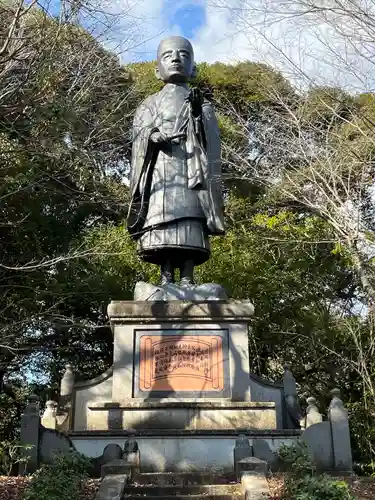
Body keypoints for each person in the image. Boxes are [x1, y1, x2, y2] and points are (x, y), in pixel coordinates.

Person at [127, 36, 224, 286]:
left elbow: (211, 142)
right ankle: (165, 275)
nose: (176, 59)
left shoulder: (201, 103)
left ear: (194, 67)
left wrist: (197, 117)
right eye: (167, 55)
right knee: (161, 222)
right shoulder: (149, 104)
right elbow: (139, 132)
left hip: (191, 168)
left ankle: (188, 276)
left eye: (183, 54)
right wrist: (153, 135)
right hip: (159, 172)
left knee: (190, 219)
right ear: (156, 69)